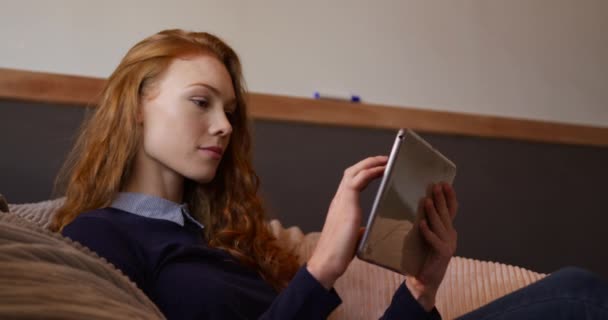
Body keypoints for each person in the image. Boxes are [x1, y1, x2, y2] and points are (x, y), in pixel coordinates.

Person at [52, 29, 608, 319]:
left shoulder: (220, 237)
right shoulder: (97, 238)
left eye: (230, 111)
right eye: (201, 101)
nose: (223, 125)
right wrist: (321, 272)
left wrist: (421, 286)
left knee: (574, 290)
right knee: (580, 300)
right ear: (138, 105)